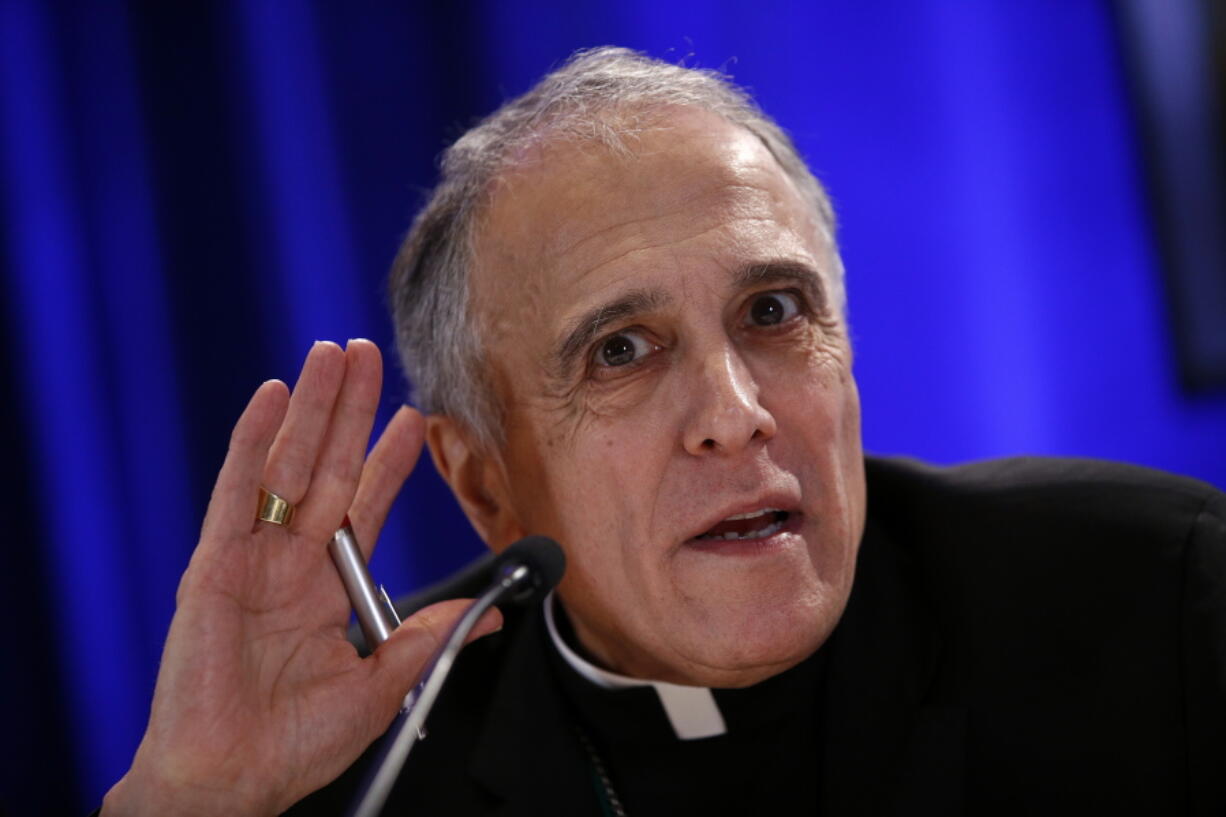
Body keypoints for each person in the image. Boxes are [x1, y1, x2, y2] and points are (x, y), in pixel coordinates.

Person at [101, 48, 1225, 816]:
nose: (734, 417)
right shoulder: (382, 773)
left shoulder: (1157, 599)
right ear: (486, 485)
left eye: (772, 313)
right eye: (621, 351)